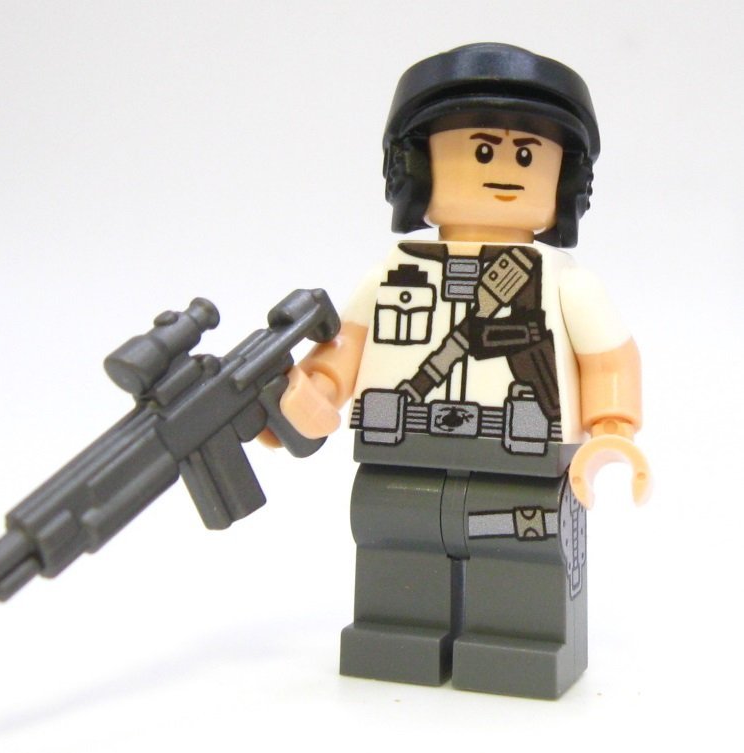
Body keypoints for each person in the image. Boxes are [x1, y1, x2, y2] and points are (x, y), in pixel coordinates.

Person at [277, 43, 651, 699]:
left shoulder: (566, 283)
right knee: (393, 533)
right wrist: (310, 395)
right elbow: (342, 354)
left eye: (527, 155)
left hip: (522, 453)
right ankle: (396, 629)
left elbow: (609, 358)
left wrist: (611, 427)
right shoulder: (391, 275)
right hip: (400, 448)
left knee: (523, 544)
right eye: (481, 150)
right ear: (419, 168)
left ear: (562, 181)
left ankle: (520, 640)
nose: (505, 169)